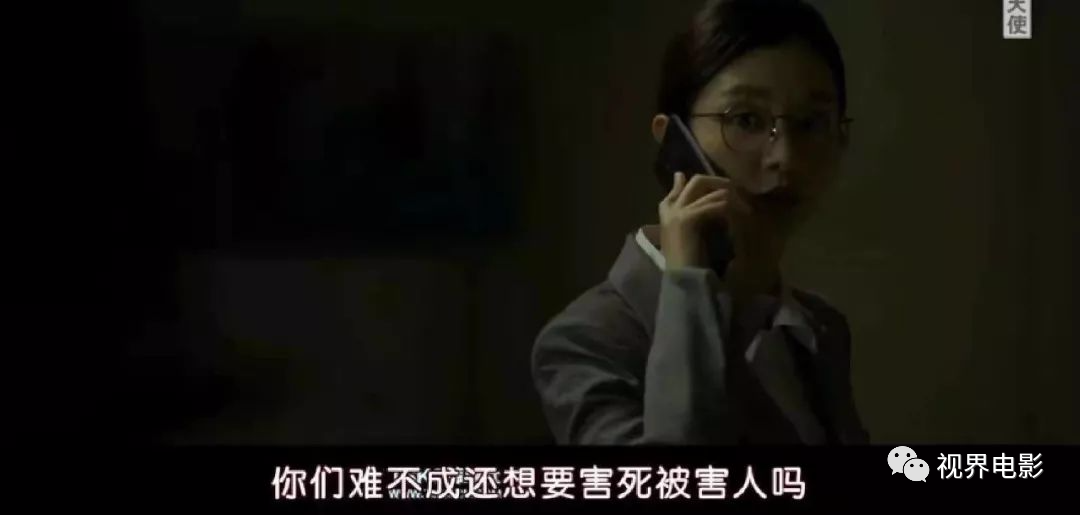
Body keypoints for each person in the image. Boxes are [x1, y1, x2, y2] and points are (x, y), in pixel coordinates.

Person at [531, 0, 870, 445]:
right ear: (674, 139)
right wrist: (689, 285)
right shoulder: (588, 340)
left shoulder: (820, 329)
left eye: (810, 124)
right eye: (745, 120)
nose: (785, 157)